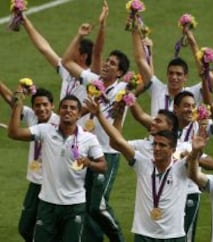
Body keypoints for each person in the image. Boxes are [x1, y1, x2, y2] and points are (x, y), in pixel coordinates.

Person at [84, 97, 198, 242]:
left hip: (174, 227)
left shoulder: (182, 157)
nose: (156, 149)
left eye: (162, 146)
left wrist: (194, 153)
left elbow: (203, 161)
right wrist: (104, 115)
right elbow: (117, 142)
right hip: (145, 231)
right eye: (155, 145)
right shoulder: (143, 157)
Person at [62, 22, 130, 242]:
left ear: (120, 72)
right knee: (86, 203)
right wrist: (79, 35)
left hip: (108, 152)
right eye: (107, 62)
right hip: (87, 150)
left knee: (97, 204)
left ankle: (117, 238)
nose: (107, 65)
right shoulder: (93, 80)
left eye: (112, 64)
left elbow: (118, 124)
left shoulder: (122, 91)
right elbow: (67, 62)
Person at [8, 93, 106, 242]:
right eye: (64, 107)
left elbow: (103, 165)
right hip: (47, 204)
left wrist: (89, 163)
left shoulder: (89, 139)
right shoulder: (45, 130)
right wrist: (18, 104)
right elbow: (14, 133)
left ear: (79, 114)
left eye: (73, 108)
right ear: (59, 111)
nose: (68, 110)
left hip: (74, 205)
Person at [0, 82, 59, 242]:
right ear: (33, 108)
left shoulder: (60, 123)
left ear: (52, 106)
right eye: (37, 105)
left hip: (52, 185)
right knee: (25, 227)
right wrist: (18, 95)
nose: (41, 109)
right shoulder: (33, 116)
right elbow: (11, 100)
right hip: (35, 182)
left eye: (45, 105)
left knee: (44, 228)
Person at [131, 21, 202, 116]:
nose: (174, 77)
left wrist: (193, 44)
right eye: (171, 73)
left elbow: (208, 76)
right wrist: (135, 29)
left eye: (179, 74)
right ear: (167, 74)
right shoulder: (156, 88)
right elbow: (140, 60)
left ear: (186, 77)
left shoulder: (192, 94)